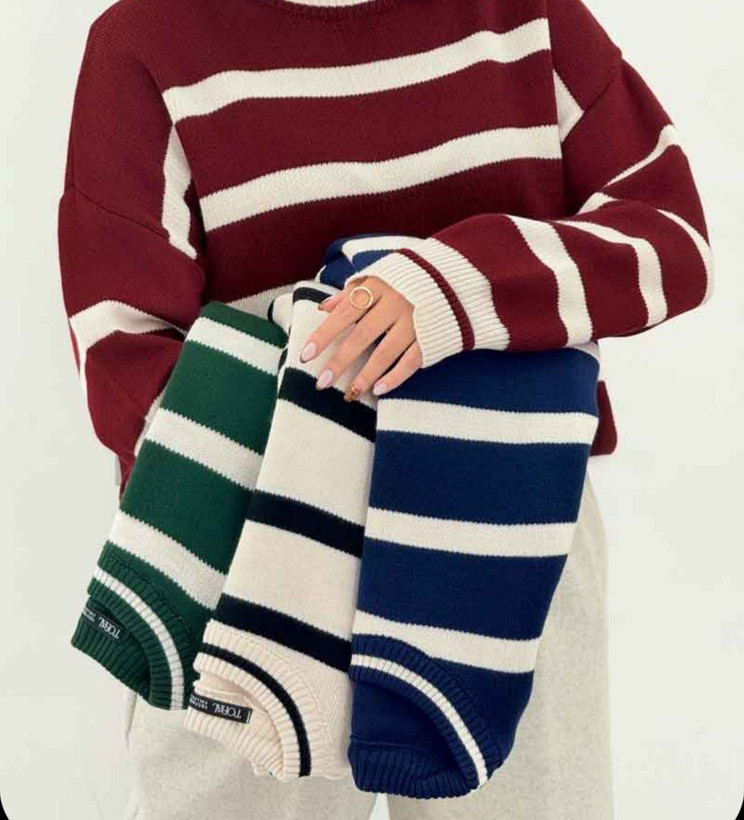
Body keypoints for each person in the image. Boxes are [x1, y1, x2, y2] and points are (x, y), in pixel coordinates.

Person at [58, 0, 712, 817]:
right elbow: (123, 349)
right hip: (251, 538)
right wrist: (321, 461)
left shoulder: (524, 14)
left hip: (510, 527)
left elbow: (668, 234)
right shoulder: (147, 39)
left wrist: (455, 287)